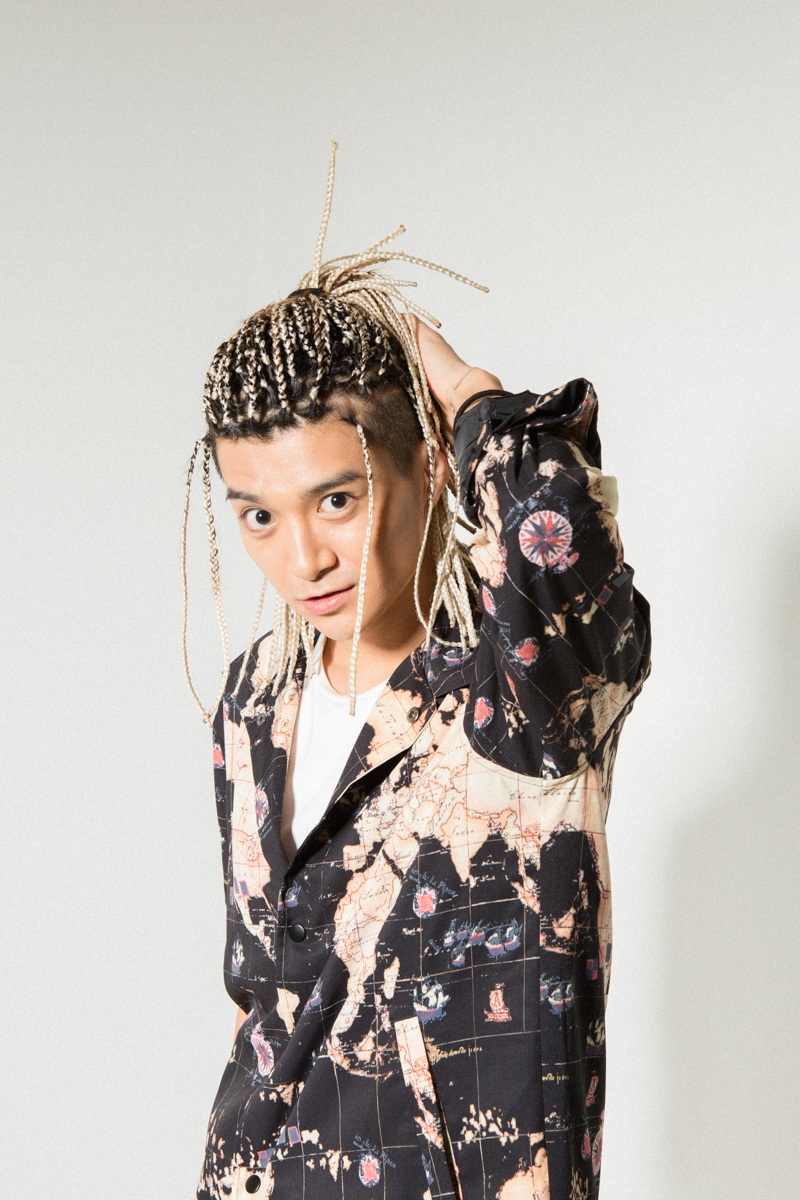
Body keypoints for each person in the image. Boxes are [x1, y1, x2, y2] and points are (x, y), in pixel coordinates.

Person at [185, 145, 651, 1200]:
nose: (301, 558)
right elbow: (263, 1002)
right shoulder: (253, 702)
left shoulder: (521, 692)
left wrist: (477, 403)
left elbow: (558, 544)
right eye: (258, 516)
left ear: (431, 466)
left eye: (336, 500)